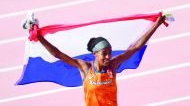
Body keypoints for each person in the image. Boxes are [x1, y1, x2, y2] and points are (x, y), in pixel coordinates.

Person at [25, 14, 165, 106]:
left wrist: (156, 25)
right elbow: (58, 54)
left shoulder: (113, 66)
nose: (108, 57)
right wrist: (39, 38)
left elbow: (135, 47)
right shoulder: (85, 68)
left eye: (109, 53)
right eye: (104, 53)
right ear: (94, 53)